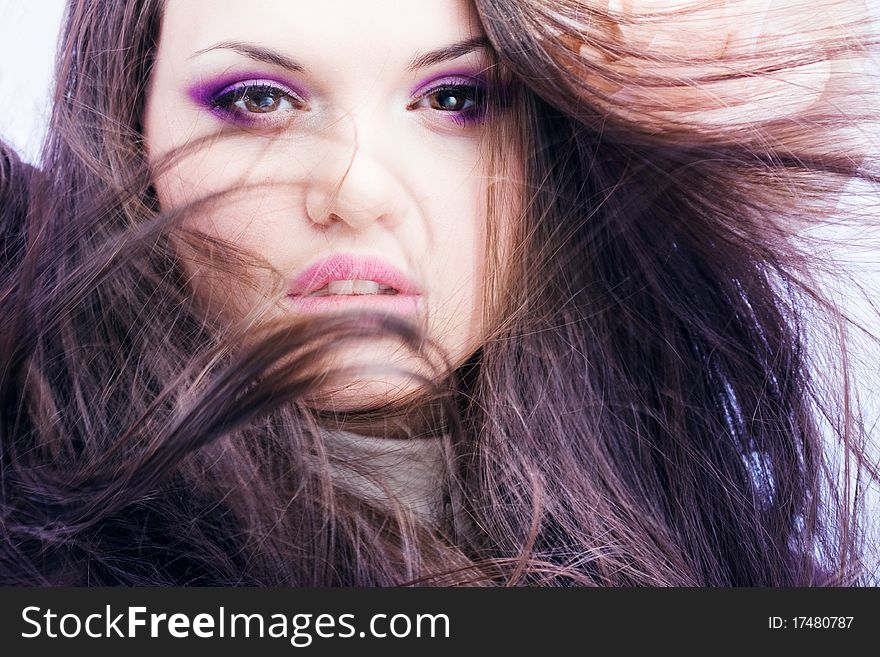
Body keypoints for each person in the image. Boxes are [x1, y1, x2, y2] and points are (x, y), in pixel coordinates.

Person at [0, 0, 878, 586]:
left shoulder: (737, 564)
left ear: (557, 140)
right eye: (259, 98)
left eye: (455, 97)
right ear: (127, 121)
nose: (357, 189)